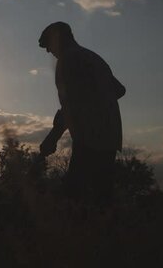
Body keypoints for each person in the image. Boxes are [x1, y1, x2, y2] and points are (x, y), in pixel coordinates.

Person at [38, 22, 126, 203]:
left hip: (90, 137)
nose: (49, 52)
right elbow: (119, 90)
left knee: (74, 196)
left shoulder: (67, 61)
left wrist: (52, 138)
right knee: (102, 196)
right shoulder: (94, 58)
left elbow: (72, 104)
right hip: (110, 135)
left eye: (49, 46)